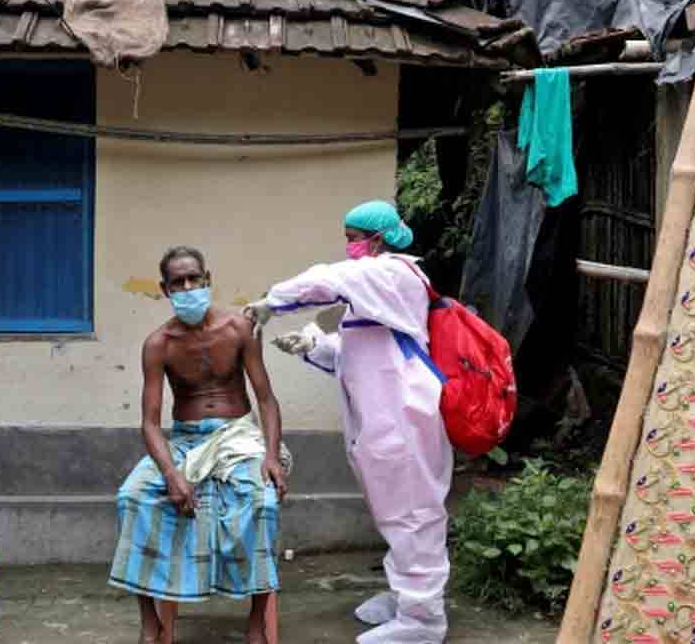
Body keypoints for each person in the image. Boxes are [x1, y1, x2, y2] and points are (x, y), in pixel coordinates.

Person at [244, 201, 451, 644]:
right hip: (382, 420)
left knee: (413, 515)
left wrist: (272, 302)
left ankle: (423, 621)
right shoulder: (377, 290)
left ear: (379, 239)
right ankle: (405, 598)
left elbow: (329, 279)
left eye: (355, 236)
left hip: (404, 420)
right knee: (393, 514)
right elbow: (360, 349)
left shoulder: (395, 273)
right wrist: (311, 345)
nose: (350, 245)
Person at [108, 245, 288, 644]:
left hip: (238, 435)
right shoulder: (159, 344)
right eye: (178, 282)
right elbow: (150, 423)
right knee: (131, 498)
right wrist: (171, 474)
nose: (188, 287)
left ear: (208, 279)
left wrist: (272, 455)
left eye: (195, 279)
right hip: (186, 441)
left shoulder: (239, 328)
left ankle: (256, 620)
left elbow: (266, 399)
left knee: (261, 501)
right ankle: (150, 620)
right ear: (165, 288)